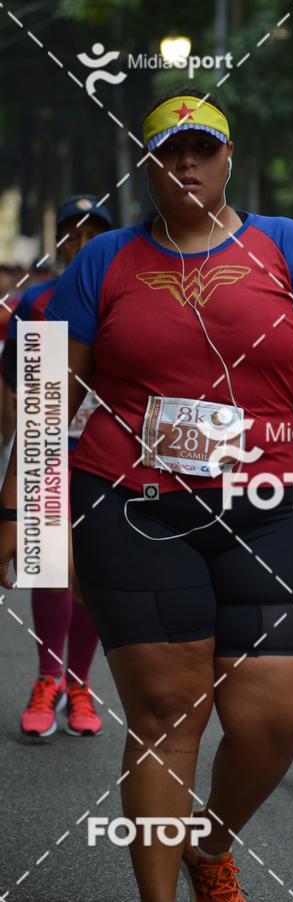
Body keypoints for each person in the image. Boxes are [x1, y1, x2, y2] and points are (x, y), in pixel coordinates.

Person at [0, 88, 293, 902]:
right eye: (170, 152)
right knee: (170, 716)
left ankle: (211, 846)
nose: (187, 163)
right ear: (148, 165)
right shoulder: (104, 260)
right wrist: (17, 507)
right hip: (133, 505)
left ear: (228, 158)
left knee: (276, 713)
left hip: (267, 501)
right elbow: (47, 393)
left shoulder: (287, 246)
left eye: (202, 148)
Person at [2, 195, 112, 738]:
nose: (84, 241)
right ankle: (46, 678)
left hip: (109, 453)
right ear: (63, 239)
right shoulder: (37, 302)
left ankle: (79, 683)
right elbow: (18, 383)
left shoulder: (127, 294)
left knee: (90, 572)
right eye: (75, 231)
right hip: (50, 447)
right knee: (48, 566)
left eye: (96, 232)